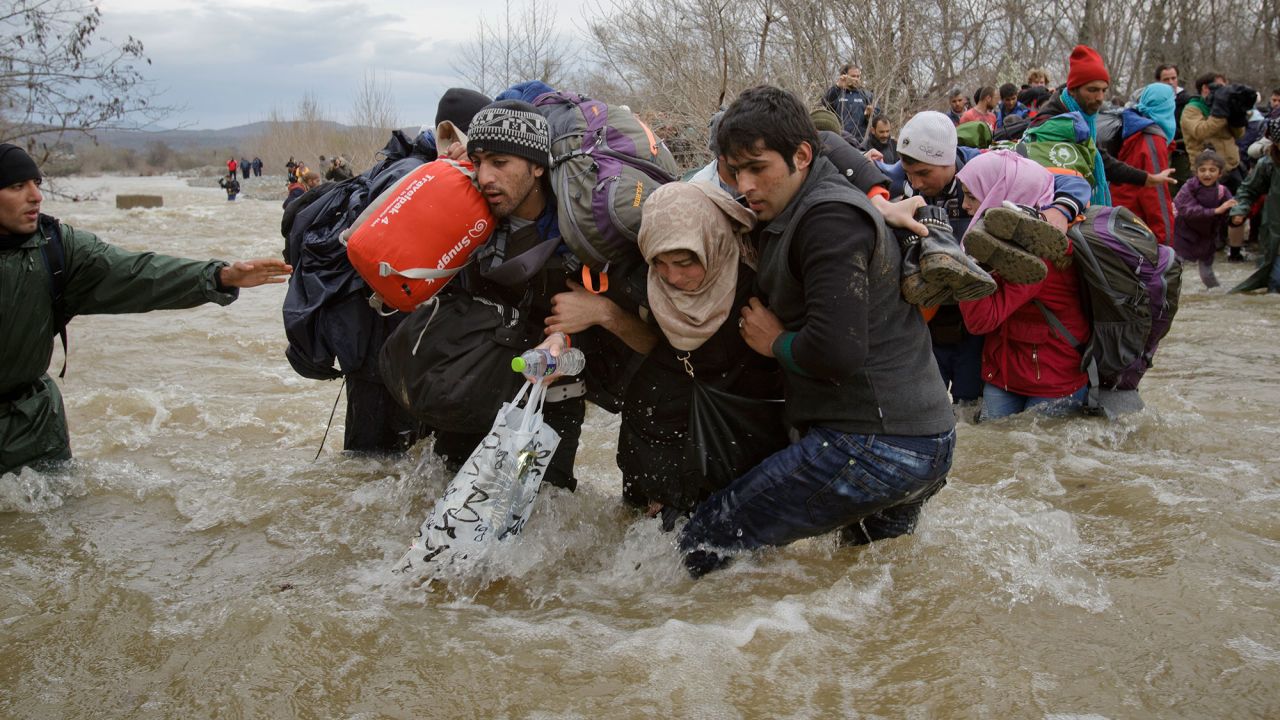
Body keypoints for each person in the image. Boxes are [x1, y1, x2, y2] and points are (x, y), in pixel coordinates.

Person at [676, 86, 956, 577]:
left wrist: (774, 342)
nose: (745, 185)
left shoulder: (828, 219)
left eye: (757, 168)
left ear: (802, 156)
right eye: (735, 171)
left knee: (706, 540)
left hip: (877, 443)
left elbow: (838, 350)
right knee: (863, 577)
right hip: (924, 439)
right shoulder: (815, 202)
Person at [0, 143, 293, 476]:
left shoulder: (56, 249)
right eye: (17, 186)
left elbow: (139, 273)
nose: (36, 196)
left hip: (35, 428)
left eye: (37, 183)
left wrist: (219, 276)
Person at [429, 99, 654, 491]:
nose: (485, 176)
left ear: (537, 166)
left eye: (500, 162)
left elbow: (655, 342)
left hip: (550, 407)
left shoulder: (586, 231)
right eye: (478, 161)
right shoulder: (468, 224)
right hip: (473, 393)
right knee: (445, 506)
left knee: (534, 515)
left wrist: (590, 319)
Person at [879, 111, 1090, 406]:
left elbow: (1062, 182)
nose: (914, 183)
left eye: (924, 174)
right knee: (927, 404)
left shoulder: (989, 168)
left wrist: (1061, 211)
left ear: (948, 160)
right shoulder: (902, 175)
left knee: (969, 404)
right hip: (931, 317)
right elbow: (860, 178)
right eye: (908, 173)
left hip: (979, 320)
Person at [619, 181, 783, 523]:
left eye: (683, 262)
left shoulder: (761, 282)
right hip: (656, 446)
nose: (673, 278)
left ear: (712, 243)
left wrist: (777, 344)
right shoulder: (641, 281)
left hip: (737, 452)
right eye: (659, 263)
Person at [955, 151, 1090, 420]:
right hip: (1008, 368)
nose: (965, 206)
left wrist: (964, 269)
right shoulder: (1010, 237)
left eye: (972, 196)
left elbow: (982, 320)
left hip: (1051, 379)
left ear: (1003, 193)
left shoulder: (1039, 250)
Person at [1029, 45, 1177, 207]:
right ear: (1072, 90)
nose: (1100, 98)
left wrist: (1147, 179)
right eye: (1092, 90)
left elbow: (1100, 159)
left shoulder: (1084, 118)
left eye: (1103, 90)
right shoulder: (1051, 122)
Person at [1110, 83, 1177, 245]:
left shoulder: (1132, 125)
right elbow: (1155, 195)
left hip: (1117, 212)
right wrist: (1165, 242)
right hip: (1135, 222)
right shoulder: (1152, 137)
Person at [1229, 119, 1280, 293]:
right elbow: (1247, 190)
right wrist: (1239, 210)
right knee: (1276, 283)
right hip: (1275, 233)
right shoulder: (1268, 164)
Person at [1173, 150, 1236, 289]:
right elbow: (1187, 210)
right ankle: (1169, 294)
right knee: (1175, 269)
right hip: (1183, 235)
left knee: (1207, 274)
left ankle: (1218, 296)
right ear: (1196, 172)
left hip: (1207, 238)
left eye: (1212, 170)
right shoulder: (1188, 187)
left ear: (1220, 173)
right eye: (1203, 170)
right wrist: (1215, 211)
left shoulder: (1222, 191)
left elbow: (1232, 211)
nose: (1207, 174)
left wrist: (1236, 217)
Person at [822, 64, 876, 140]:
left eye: (858, 76)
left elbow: (877, 119)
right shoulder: (836, 92)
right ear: (844, 76)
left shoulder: (866, 95)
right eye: (853, 76)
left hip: (860, 141)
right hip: (839, 139)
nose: (856, 79)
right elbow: (825, 102)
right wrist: (838, 86)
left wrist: (869, 115)